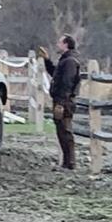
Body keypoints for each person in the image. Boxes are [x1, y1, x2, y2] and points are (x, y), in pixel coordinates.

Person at [38, 35, 81, 169]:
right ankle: (67, 162)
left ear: (66, 44)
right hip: (62, 100)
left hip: (65, 101)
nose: (57, 45)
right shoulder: (66, 60)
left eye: (60, 42)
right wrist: (47, 60)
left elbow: (66, 83)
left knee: (65, 131)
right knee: (61, 131)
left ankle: (70, 163)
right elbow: (56, 74)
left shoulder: (69, 62)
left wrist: (61, 103)